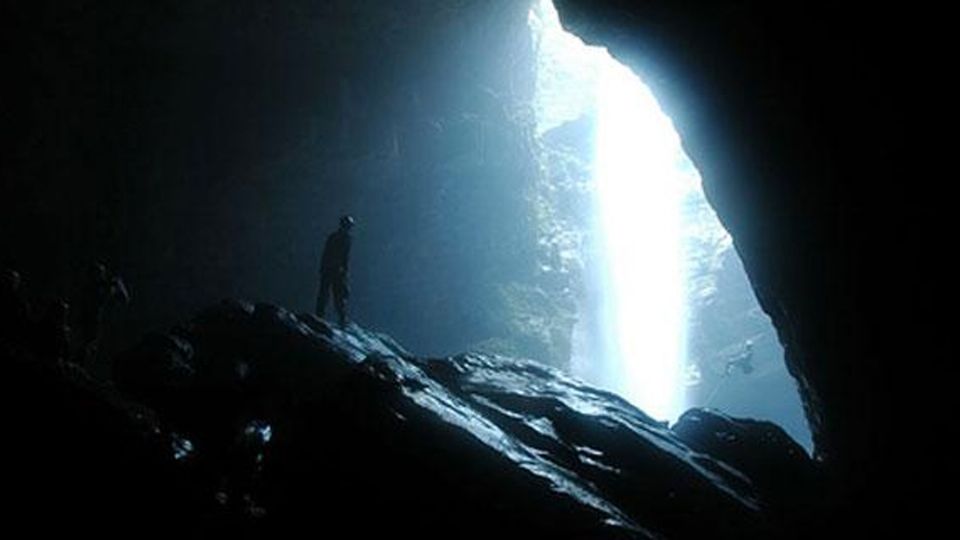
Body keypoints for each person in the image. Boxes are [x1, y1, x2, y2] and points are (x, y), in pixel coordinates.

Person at [76, 262, 130, 364]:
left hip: (101, 322)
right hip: (90, 322)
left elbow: (123, 299)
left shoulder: (100, 288)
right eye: (99, 274)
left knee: (93, 348)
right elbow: (97, 301)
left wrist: (116, 286)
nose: (102, 277)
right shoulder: (90, 290)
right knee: (88, 347)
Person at [316, 215, 354, 326]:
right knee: (331, 295)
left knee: (334, 295)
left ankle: (339, 318)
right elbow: (331, 255)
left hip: (334, 271)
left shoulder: (342, 238)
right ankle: (324, 317)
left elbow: (344, 257)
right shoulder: (341, 238)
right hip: (333, 270)